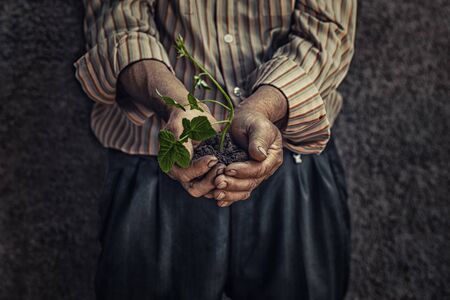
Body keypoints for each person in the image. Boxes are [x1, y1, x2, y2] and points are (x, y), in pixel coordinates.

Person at [74, 1, 356, 299]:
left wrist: (263, 107)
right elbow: (119, 24)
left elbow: (328, 32)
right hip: (155, 158)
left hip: (291, 157)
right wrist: (178, 106)